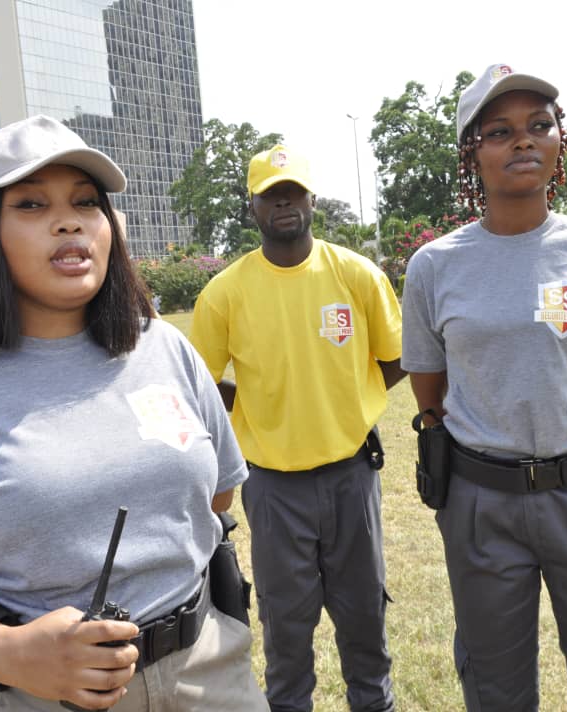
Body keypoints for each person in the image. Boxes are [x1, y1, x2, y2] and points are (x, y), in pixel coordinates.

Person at [0, 114, 268, 712]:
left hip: (207, 673)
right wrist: (11, 653)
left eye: (86, 202)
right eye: (32, 204)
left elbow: (215, 496)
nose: (68, 221)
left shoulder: (165, 348)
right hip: (28, 696)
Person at [401, 64, 567, 711]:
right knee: (496, 686)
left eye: (538, 126)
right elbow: (429, 395)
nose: (522, 141)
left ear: (557, 144)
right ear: (472, 154)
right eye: (500, 131)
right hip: (483, 507)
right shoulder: (434, 267)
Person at [190, 144, 404, 712]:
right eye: (270, 194)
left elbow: (395, 358)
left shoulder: (356, 275)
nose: (283, 201)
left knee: (363, 614)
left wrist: (346, 402)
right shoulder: (225, 293)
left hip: (352, 475)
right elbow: (203, 382)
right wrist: (253, 405)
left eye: (293, 190)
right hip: (272, 486)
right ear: (253, 207)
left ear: (311, 198)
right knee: (287, 624)